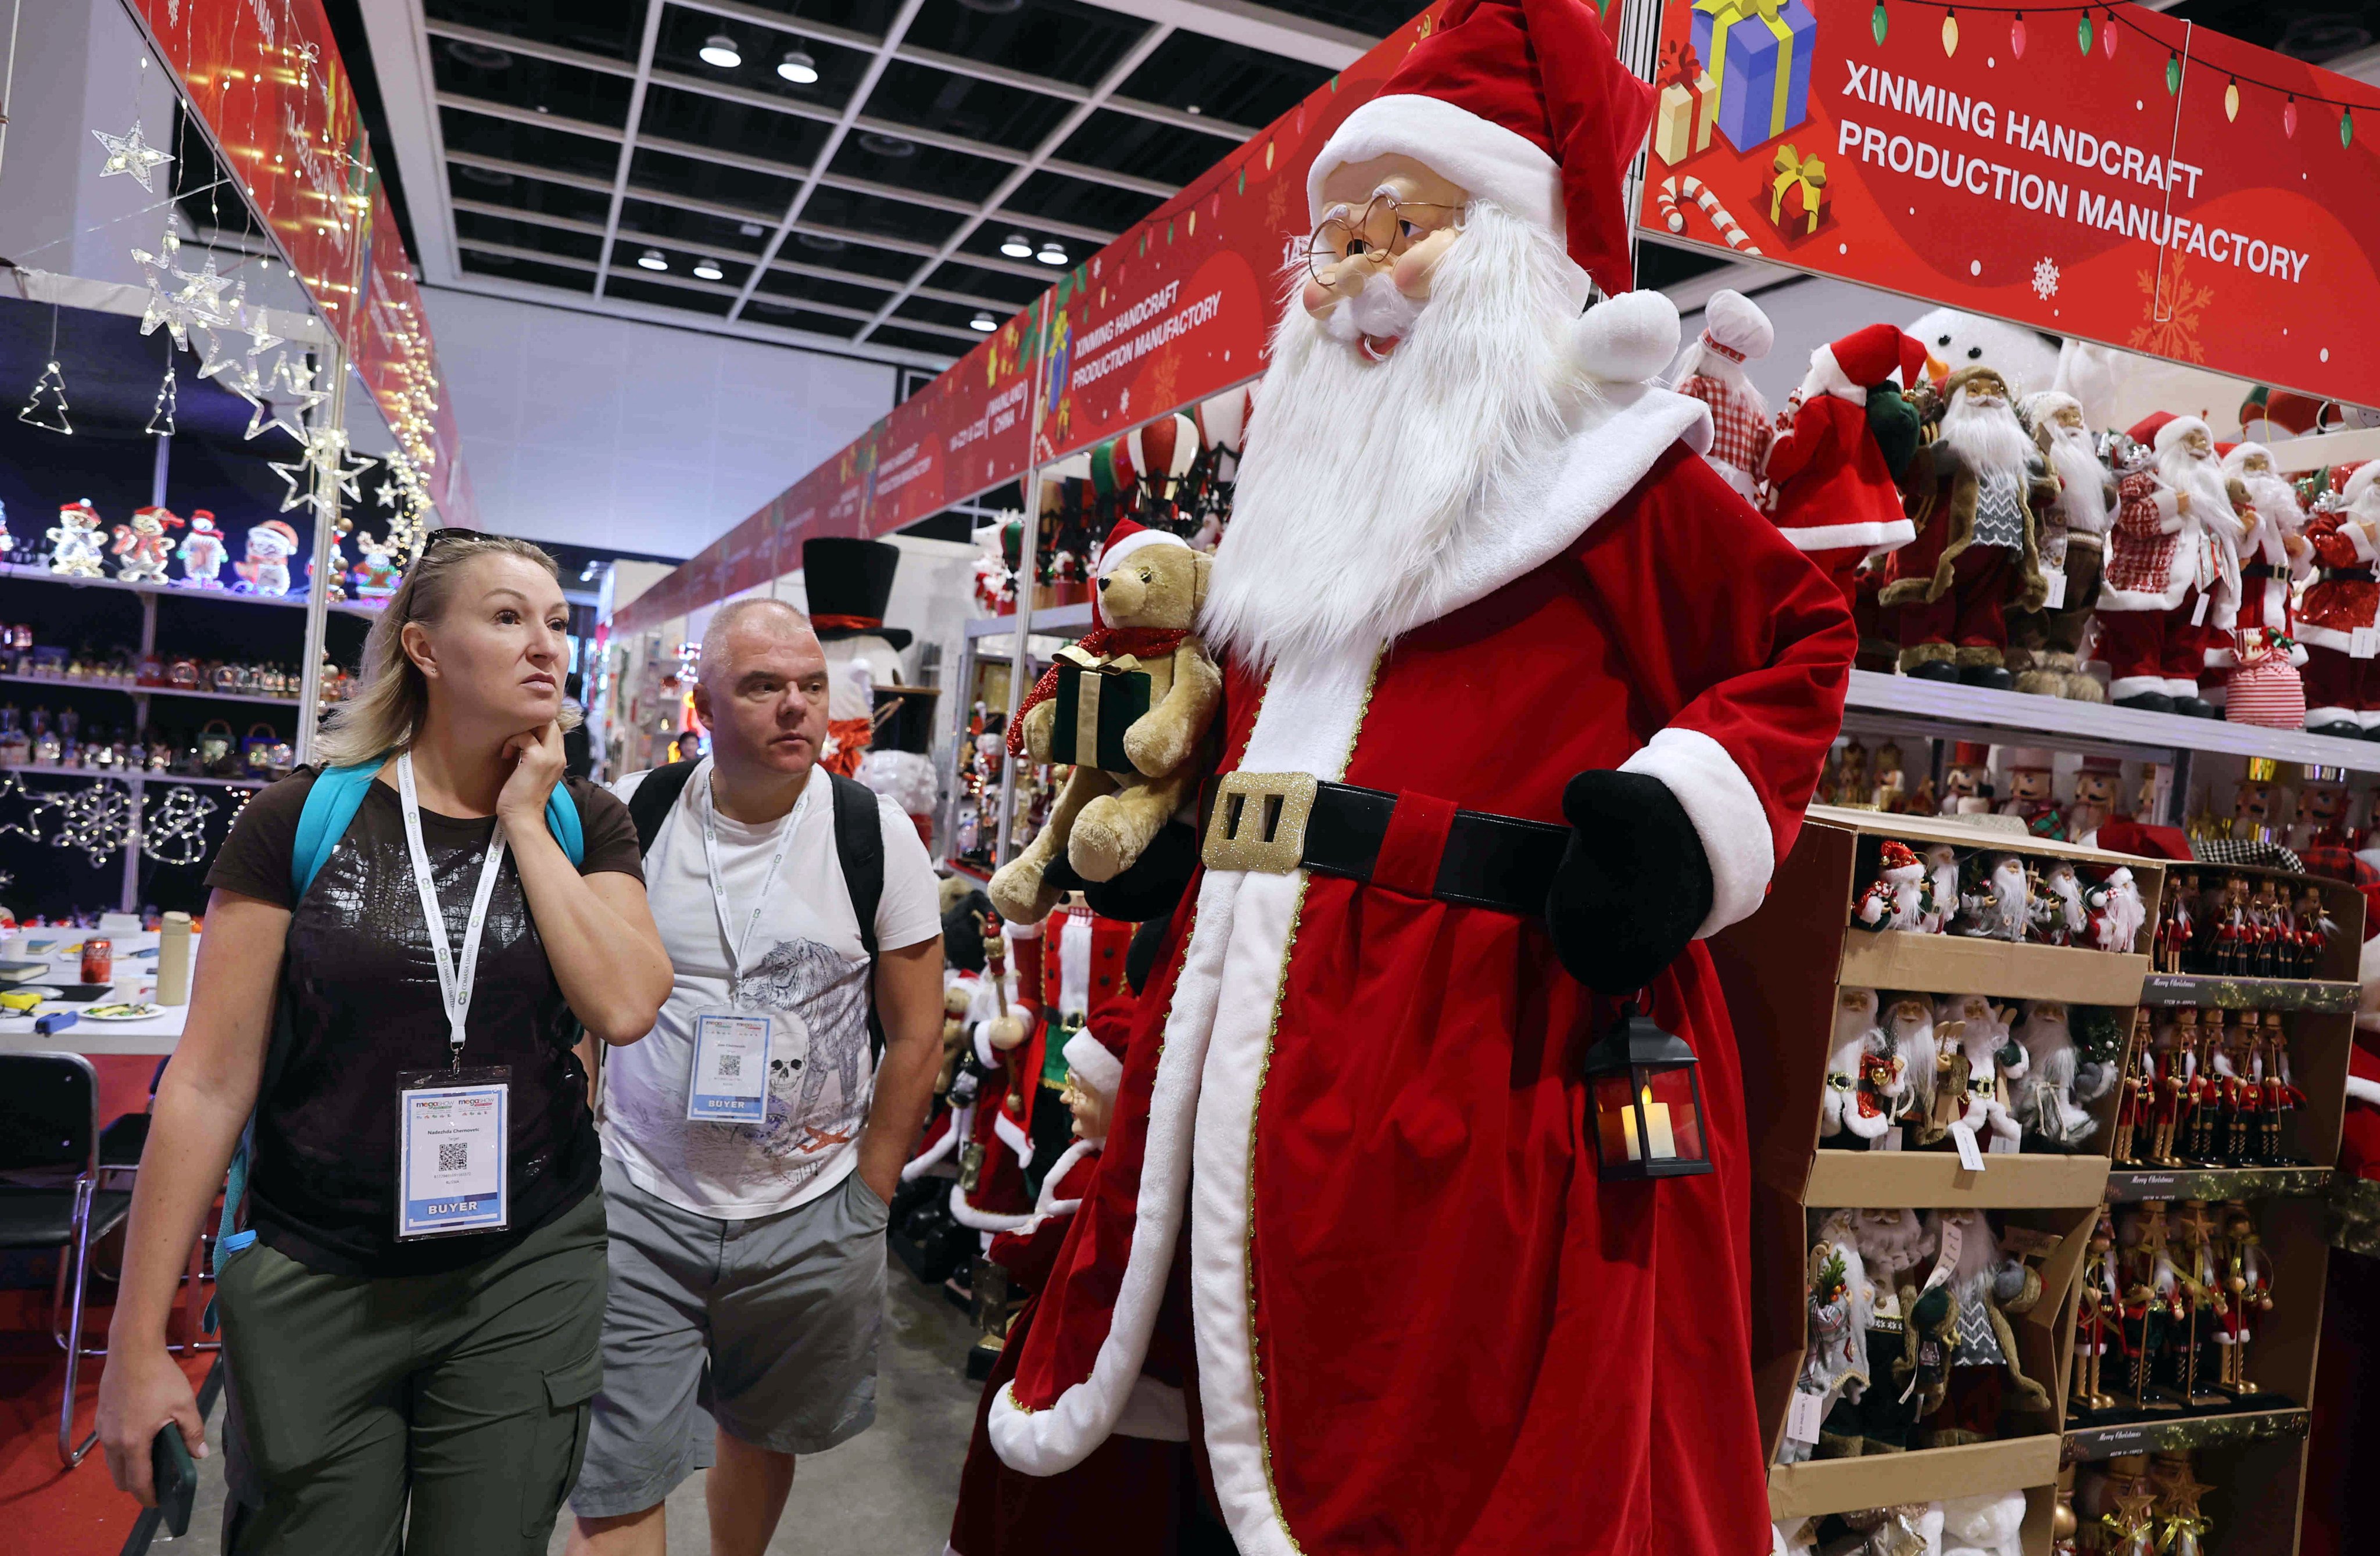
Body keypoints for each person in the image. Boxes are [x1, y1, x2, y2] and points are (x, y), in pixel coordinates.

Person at [980, 3, 1853, 1553]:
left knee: (1453, 1452)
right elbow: (1240, 780)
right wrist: (1148, 956)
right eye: (1331, 241)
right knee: (1213, 1426)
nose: (1356, 276)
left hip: (1485, 1054)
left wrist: (1681, 810)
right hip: (1249, 1051)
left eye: (1406, 228)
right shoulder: (1299, 518)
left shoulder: (1613, 475)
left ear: (1516, 243)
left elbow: (1793, 632)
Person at [94, 533, 672, 1551]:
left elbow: (625, 1005)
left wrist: (528, 823)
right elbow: (207, 1084)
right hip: (320, 1268)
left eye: (555, 622)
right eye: (506, 617)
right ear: (424, 648)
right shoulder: (299, 818)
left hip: (524, 1263)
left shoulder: (587, 821)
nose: (545, 644)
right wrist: (135, 1344)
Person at [568, 596, 944, 1556]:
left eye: (811, 686)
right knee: (617, 1465)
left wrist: (870, 1193)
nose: (796, 707)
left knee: (760, 1428)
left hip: (810, 1205)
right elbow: (580, 1003)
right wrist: (576, 1156)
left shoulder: (874, 832)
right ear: (702, 704)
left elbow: (914, 1031)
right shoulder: (634, 813)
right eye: (764, 685)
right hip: (641, 1195)